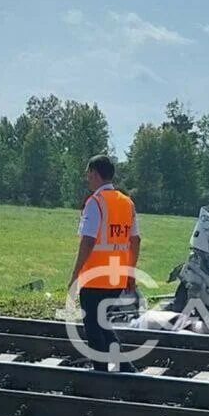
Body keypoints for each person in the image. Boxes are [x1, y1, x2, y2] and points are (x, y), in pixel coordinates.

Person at [69, 155, 140, 367]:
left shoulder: (95, 203)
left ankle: (101, 373)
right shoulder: (127, 203)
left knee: (93, 326)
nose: (87, 178)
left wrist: (75, 274)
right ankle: (125, 369)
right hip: (116, 277)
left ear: (94, 173)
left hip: (95, 276)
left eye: (88, 174)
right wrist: (130, 272)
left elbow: (88, 242)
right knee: (103, 324)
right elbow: (135, 240)